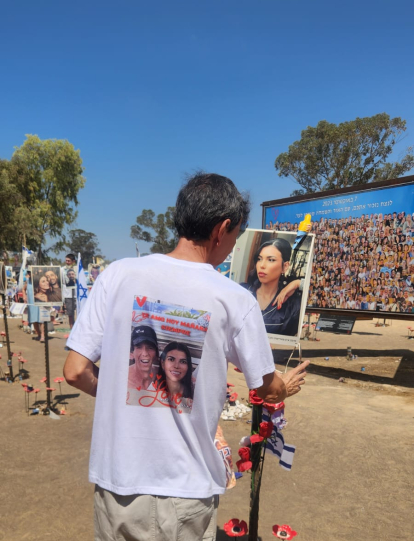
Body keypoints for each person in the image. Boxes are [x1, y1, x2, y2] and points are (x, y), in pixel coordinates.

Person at [63, 172, 309, 541]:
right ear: (222, 229)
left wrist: (128, 390)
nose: (233, 246)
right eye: (236, 235)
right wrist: (285, 388)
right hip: (185, 489)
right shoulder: (234, 298)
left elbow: (75, 371)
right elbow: (265, 387)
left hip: (116, 485)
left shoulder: (117, 275)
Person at [242, 239, 302, 336]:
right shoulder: (242, 291)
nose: (262, 265)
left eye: (271, 260)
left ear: (285, 266)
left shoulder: (291, 305)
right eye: (259, 259)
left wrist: (296, 283)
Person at [127, 325, 159, 392]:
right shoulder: (123, 378)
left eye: (150, 348)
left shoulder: (163, 374)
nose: (145, 353)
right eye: (139, 347)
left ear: (156, 354)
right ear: (131, 354)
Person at [62, 254, 77, 329]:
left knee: (78, 313)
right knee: (70, 314)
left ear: (73, 261)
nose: (67, 262)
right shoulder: (62, 269)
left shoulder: (77, 269)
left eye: (69, 261)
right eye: (66, 260)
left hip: (76, 295)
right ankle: (72, 330)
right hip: (67, 295)